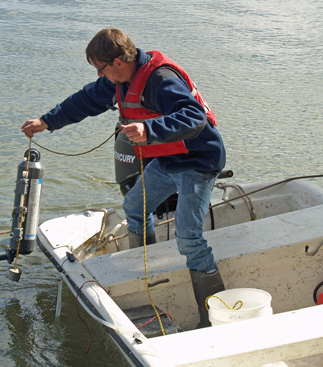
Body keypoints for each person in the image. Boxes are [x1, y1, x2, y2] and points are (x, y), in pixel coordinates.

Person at [21, 28, 225, 328]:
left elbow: (193, 116)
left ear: (118, 61)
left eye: (101, 68)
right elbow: (85, 100)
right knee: (134, 207)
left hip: (197, 162)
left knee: (189, 238)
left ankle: (213, 313)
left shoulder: (160, 80)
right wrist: (47, 121)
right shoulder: (118, 80)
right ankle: (150, 267)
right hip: (168, 160)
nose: (100, 76)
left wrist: (149, 131)